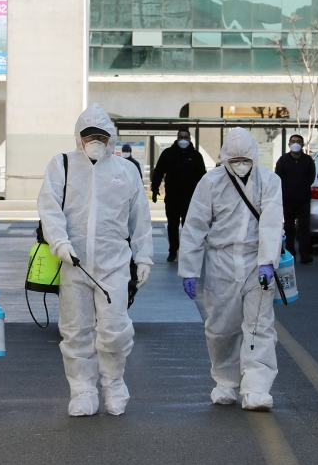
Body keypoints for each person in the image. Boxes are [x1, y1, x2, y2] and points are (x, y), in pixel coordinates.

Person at [37, 103, 153, 417]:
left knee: (115, 329)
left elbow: (140, 218)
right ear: (79, 136)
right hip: (74, 264)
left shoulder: (125, 171)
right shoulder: (61, 165)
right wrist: (60, 243)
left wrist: (144, 258)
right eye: (89, 135)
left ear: (111, 137)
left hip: (113, 264)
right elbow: (49, 208)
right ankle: (82, 391)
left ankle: (114, 385)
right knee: (75, 331)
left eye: (101, 135)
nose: (95, 140)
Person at [178, 128, 283, 410]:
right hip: (221, 261)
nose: (240, 163)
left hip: (256, 262)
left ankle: (256, 387)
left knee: (259, 327)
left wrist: (267, 262)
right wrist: (189, 268)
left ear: (254, 156)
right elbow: (195, 225)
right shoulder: (211, 182)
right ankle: (225, 381)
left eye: (244, 158)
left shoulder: (269, 181)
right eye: (234, 158)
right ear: (225, 158)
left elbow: (272, 223)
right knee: (220, 328)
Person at [151, 129, 206, 262]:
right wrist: (154, 189)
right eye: (181, 137)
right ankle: (173, 250)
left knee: (188, 225)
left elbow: (203, 177)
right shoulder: (168, 154)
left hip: (190, 197)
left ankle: (188, 250)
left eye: (185, 137)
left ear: (189, 139)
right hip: (172, 196)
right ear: (177, 138)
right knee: (172, 225)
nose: (183, 139)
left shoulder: (196, 155)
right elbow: (158, 171)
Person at [275, 134, 316, 264]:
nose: (295, 143)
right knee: (289, 227)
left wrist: (303, 188)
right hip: (287, 200)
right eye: (293, 141)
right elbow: (278, 178)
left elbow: (311, 177)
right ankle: (290, 253)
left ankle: (305, 254)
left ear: (302, 145)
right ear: (289, 144)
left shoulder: (308, 160)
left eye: (298, 141)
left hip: (303, 199)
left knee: (304, 227)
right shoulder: (283, 160)